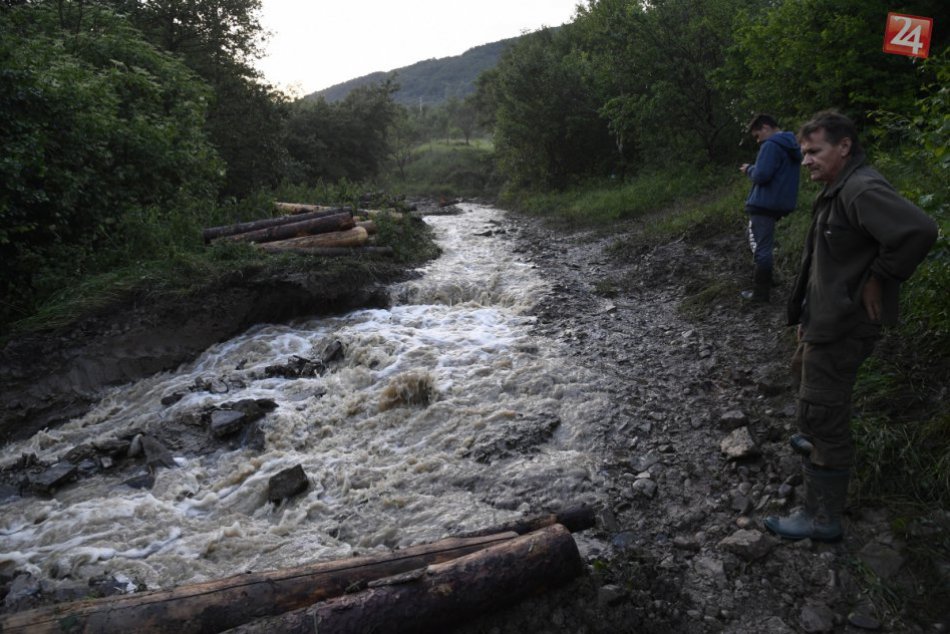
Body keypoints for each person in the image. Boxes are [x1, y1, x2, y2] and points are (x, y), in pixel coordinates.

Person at [764, 111, 938, 541]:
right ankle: (815, 444)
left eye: (814, 151)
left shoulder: (860, 188)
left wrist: (880, 277)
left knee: (825, 414)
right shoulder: (836, 188)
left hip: (844, 325)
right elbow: (827, 262)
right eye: (804, 152)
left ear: (844, 147)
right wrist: (805, 316)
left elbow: (919, 229)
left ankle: (822, 519)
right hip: (824, 318)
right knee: (806, 380)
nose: (806, 161)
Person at [739, 114, 802, 302]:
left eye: (757, 136)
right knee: (761, 242)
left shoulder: (771, 145)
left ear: (766, 127)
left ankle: (760, 293)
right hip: (780, 202)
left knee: (761, 247)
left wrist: (749, 169)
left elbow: (761, 175)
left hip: (763, 204)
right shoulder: (792, 144)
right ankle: (768, 280)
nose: (758, 141)